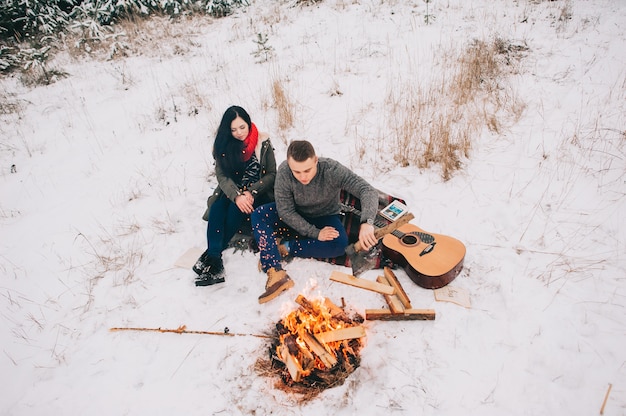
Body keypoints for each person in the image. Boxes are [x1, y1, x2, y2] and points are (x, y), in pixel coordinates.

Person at [251, 140, 379, 303]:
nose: (303, 176)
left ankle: (286, 247)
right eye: (297, 172)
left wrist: (367, 222)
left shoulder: (331, 169)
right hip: (293, 214)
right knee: (258, 214)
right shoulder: (284, 171)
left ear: (316, 160)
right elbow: (285, 211)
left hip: (324, 216)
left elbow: (366, 190)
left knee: (339, 245)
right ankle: (275, 271)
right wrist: (315, 233)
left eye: (307, 170)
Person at [193, 106, 277, 287]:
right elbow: (222, 177)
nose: (239, 133)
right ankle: (215, 259)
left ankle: (211, 256)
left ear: (248, 124)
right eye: (233, 129)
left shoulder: (263, 143)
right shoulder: (222, 145)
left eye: (242, 127)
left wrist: (251, 192)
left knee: (235, 208)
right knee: (217, 207)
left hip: (259, 195)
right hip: (232, 194)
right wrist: (237, 195)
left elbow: (271, 174)